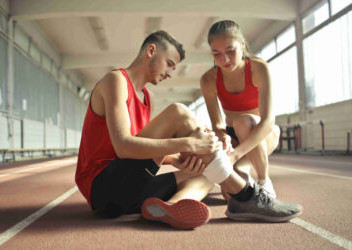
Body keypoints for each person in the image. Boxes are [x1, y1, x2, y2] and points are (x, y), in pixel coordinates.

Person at [75, 30, 302, 230]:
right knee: (178, 112)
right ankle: (246, 196)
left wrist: (176, 159)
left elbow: (140, 151)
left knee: (206, 170)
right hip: (103, 190)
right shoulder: (116, 80)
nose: (171, 73)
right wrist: (189, 144)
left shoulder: (147, 97)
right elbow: (123, 147)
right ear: (151, 51)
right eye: (170, 64)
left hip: (127, 195)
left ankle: (171, 207)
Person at [200, 20, 280, 198]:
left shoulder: (259, 68)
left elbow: (268, 121)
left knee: (244, 121)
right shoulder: (208, 80)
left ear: (242, 45)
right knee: (231, 196)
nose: (225, 59)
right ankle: (244, 168)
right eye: (216, 53)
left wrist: (235, 156)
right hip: (234, 138)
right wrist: (222, 135)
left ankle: (264, 181)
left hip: (263, 133)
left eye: (230, 50)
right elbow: (218, 124)